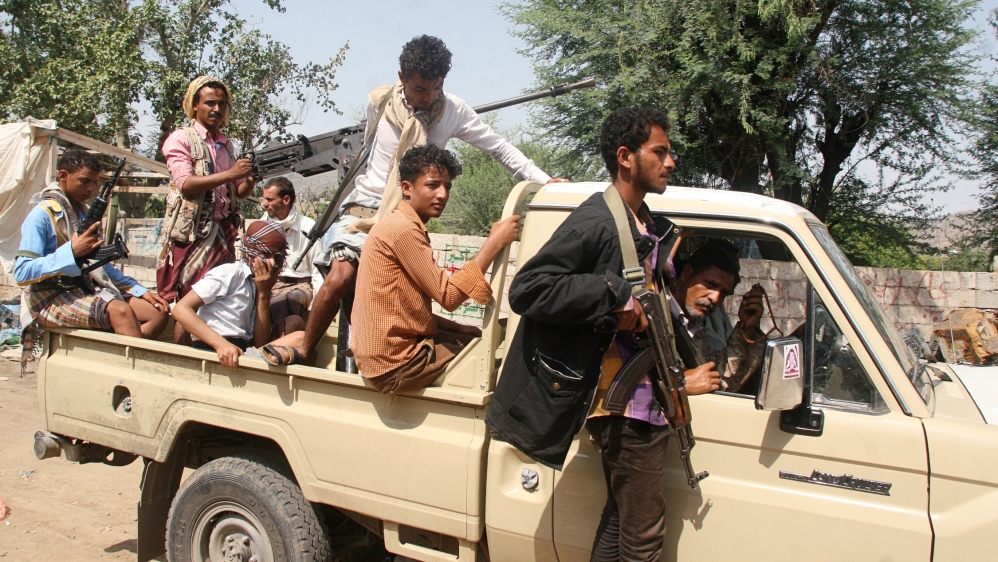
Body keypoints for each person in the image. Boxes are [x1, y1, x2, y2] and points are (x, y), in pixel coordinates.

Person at [486, 108, 720, 561]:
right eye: (660, 152)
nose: (671, 162)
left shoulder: (643, 225)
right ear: (625, 157)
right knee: (644, 537)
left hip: (643, 400)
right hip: (626, 408)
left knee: (620, 523)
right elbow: (529, 289)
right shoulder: (597, 221)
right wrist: (617, 297)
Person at [290, 34, 564, 366]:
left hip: (404, 216)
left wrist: (546, 182)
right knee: (341, 278)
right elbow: (370, 151)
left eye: (437, 88)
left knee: (406, 304)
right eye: (420, 89)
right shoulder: (379, 102)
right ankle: (306, 348)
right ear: (402, 78)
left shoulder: (453, 111)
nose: (429, 97)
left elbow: (499, 147)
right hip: (365, 205)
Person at [334, 145, 517, 392]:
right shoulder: (403, 230)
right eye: (433, 185)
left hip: (381, 356)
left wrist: (462, 327)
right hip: (395, 365)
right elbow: (449, 297)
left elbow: (407, 311)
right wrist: (493, 244)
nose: (442, 194)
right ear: (407, 188)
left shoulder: (401, 224)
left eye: (447, 187)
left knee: (473, 336)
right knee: (487, 361)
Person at [15, 150, 169, 339]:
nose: (91, 189)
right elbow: (22, 273)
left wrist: (139, 291)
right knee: (121, 312)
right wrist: (71, 252)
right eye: (84, 181)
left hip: (84, 288)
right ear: (63, 176)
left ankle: (121, 356)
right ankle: (131, 364)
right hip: (48, 296)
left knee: (158, 311)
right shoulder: (42, 216)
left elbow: (101, 266)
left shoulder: (83, 215)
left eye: (95, 183)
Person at [157, 76, 256, 343]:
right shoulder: (181, 138)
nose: (216, 109)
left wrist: (249, 178)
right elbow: (186, 183)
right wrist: (232, 173)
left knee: (212, 301)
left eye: (222, 104)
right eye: (210, 103)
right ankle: (184, 356)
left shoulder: (226, 144)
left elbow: (239, 193)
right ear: (195, 106)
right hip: (193, 237)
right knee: (188, 300)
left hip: (223, 234)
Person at [170, 220, 305, 368]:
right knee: (301, 339)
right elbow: (180, 309)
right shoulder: (229, 273)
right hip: (217, 350)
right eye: (266, 254)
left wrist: (264, 293)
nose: (272, 263)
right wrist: (221, 345)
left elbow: (261, 342)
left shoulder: (258, 283)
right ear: (250, 251)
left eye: (276, 256)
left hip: (244, 351)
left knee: (295, 323)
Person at [672, 238, 768, 393]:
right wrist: (678, 386)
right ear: (686, 273)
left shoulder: (697, 326)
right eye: (710, 284)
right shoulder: (655, 316)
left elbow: (721, 381)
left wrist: (745, 330)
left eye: (723, 293)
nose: (715, 298)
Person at [259, 177, 324, 338]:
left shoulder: (308, 227)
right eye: (264, 199)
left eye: (269, 199)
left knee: (291, 300)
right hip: (268, 282)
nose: (264, 204)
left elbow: (318, 272)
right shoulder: (262, 226)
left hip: (301, 286)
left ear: (286, 199)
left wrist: (317, 307)